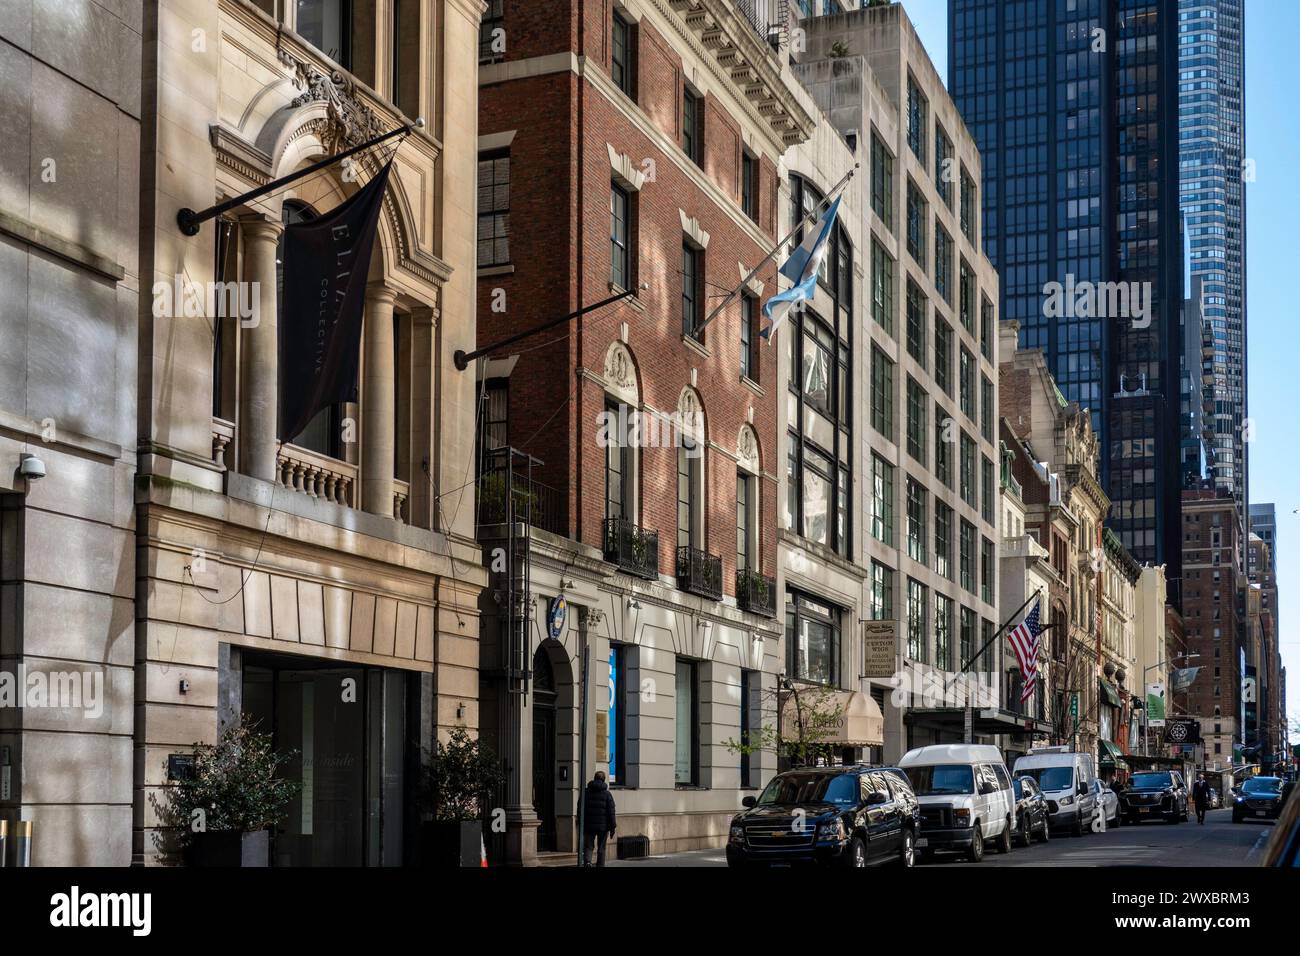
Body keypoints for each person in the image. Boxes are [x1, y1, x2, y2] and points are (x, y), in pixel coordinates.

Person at [581, 770, 617, 866]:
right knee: (601, 847)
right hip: (603, 827)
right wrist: (613, 827)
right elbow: (611, 812)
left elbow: (580, 807)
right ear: (604, 780)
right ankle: (600, 864)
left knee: (588, 846)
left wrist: (580, 822)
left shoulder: (586, 792)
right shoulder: (607, 794)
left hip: (588, 825)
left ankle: (588, 862)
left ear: (594, 778)